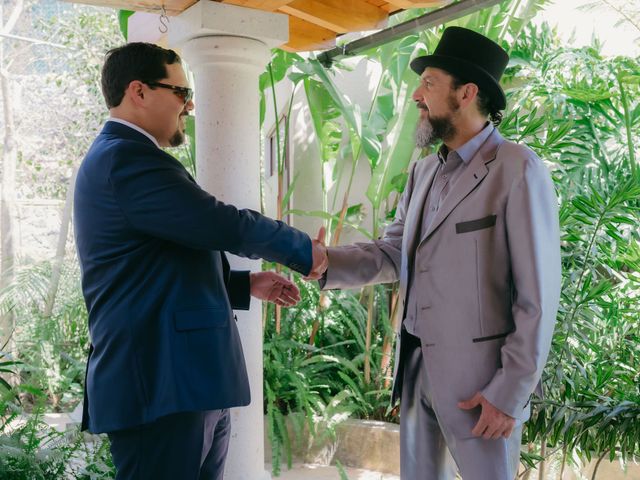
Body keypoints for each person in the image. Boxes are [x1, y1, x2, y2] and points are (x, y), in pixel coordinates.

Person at [308, 27, 561, 479]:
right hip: (416, 370)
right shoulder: (423, 172)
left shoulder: (518, 169)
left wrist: (509, 392)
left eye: (428, 84)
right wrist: (325, 260)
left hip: (482, 388)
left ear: (466, 93)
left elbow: (537, 297)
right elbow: (391, 253)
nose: (414, 97)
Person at [74, 42, 326, 480]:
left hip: (184, 385)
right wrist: (304, 251)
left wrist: (244, 286)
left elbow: (152, 269)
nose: (188, 106)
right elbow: (219, 223)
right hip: (159, 384)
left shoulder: (132, 158)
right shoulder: (125, 159)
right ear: (139, 91)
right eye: (180, 92)